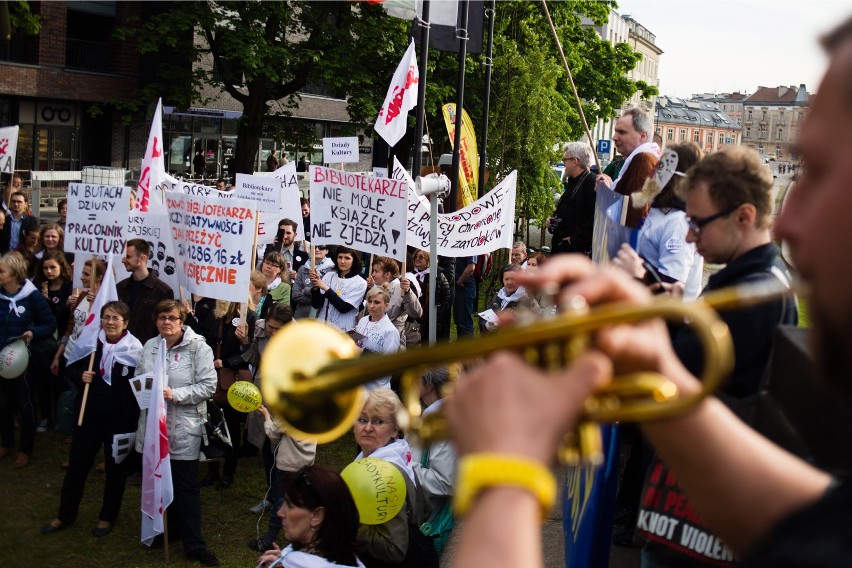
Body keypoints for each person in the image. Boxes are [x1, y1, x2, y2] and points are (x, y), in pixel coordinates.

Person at [443, 18, 852, 567]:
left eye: (819, 173)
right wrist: (645, 342)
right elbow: (803, 519)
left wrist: (508, 472)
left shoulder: (760, 289)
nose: (791, 219)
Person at [41, 301, 143, 537]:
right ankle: (65, 514)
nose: (109, 322)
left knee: (114, 468)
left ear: (125, 323)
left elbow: (139, 384)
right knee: (77, 465)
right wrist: (80, 376)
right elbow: (71, 368)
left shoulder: (135, 349)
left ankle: (108, 516)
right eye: (106, 317)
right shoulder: (90, 343)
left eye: (115, 318)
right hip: (89, 413)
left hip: (118, 418)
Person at [134, 300, 219, 566]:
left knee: (185, 486)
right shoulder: (150, 346)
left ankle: (194, 543)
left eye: (172, 318)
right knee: (159, 481)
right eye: (162, 318)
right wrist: (146, 392)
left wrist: (175, 395)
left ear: (182, 321)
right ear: (155, 320)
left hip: (184, 427)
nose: (167, 322)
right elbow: (140, 377)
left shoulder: (197, 348)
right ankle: (167, 530)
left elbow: (209, 386)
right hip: (153, 428)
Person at [612, 142, 704, 299]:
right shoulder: (660, 211)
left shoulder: (678, 222)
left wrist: (636, 272)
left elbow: (671, 287)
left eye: (661, 165)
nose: (653, 171)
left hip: (671, 319)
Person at [353, 388, 431, 567]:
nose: (368, 428)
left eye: (378, 421)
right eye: (362, 420)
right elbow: (425, 508)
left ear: (395, 429)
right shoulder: (400, 454)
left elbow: (394, 549)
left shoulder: (383, 475)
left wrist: (350, 521)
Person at [0, 252, 57, 469]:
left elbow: (49, 324)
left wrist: (32, 332)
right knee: (3, 403)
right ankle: (6, 442)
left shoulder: (32, 297)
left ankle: (25, 448)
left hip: (22, 360)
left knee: (25, 404)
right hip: (1, 358)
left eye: (1, 271)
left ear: (14, 274)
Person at [191, 300, 256, 490]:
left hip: (232, 380)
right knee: (209, 425)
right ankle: (212, 471)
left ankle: (228, 473)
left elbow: (251, 352)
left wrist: (227, 361)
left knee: (232, 429)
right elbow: (201, 336)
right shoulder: (214, 314)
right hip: (210, 378)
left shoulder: (248, 316)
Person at [255, 466, 364, 568]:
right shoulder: (345, 557)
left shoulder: (298, 562)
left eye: (290, 505)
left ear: (317, 516)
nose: (280, 513)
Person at [249, 404, 318, 553]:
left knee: (280, 500)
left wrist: (266, 416)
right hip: (306, 463)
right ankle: (305, 534)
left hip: (287, 465)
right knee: (301, 500)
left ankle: (269, 540)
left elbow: (272, 434)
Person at [409, 368, 457, 555]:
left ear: (428, 385)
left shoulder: (439, 422)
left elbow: (445, 482)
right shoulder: (431, 415)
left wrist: (403, 467)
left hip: (431, 522)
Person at [597, 107, 660, 229]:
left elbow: (634, 216)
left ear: (643, 136)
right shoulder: (645, 158)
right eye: (615, 132)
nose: (614, 137)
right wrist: (609, 188)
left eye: (622, 132)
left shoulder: (643, 160)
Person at [32, 251, 73, 433]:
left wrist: (65, 305)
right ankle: (45, 416)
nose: (49, 271)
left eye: (53, 267)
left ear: (61, 268)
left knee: (58, 381)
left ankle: (60, 415)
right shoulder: (39, 287)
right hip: (43, 342)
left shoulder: (70, 288)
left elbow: (68, 318)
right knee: (42, 381)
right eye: (45, 268)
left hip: (63, 340)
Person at [117, 239, 175, 343]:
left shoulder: (163, 291)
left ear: (143, 258)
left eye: (128, 257)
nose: (123, 260)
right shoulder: (120, 287)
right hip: (119, 349)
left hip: (147, 351)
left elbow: (166, 327)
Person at [550, 142, 596, 257]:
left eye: (565, 159)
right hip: (562, 248)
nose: (563, 163)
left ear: (575, 161)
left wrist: (576, 239)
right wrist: (553, 221)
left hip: (574, 253)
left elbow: (595, 217)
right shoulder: (572, 182)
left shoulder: (591, 182)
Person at [310, 246, 367, 332]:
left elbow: (343, 307)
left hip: (342, 331)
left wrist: (326, 288)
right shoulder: (329, 276)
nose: (342, 261)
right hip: (322, 329)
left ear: (354, 260)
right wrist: (316, 287)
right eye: (340, 257)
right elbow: (316, 305)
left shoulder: (360, 283)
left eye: (347, 258)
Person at [369, 256, 422, 347]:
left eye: (376, 271)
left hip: (393, 343)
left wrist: (407, 293)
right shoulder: (375, 288)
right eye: (373, 271)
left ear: (387, 274)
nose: (372, 275)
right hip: (372, 341)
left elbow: (417, 313)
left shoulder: (401, 289)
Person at [354, 286, 401, 390]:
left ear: (386, 305)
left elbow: (389, 364)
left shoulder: (391, 331)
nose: (371, 306)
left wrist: (364, 353)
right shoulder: (363, 320)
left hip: (376, 388)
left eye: (377, 302)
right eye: (369, 301)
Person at [480, 265, 540, 333]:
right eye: (506, 279)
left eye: (513, 279)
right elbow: (484, 316)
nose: (509, 282)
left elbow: (536, 322)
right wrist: (486, 325)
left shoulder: (526, 298)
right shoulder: (499, 296)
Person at [411, 249, 451, 344]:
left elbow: (445, 297)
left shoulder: (438, 275)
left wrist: (438, 316)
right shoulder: (410, 274)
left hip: (430, 317)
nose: (417, 259)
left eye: (421, 257)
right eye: (416, 256)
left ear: (429, 260)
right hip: (414, 316)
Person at [291, 244, 333, 319]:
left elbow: (329, 296)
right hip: (302, 317)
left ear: (327, 251)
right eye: (314, 247)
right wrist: (317, 298)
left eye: (321, 247)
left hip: (321, 318)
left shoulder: (333, 270)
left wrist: (307, 290)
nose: (317, 249)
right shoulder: (303, 268)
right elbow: (295, 295)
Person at [453, 255, 477, 337]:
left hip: (464, 286)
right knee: (459, 320)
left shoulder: (469, 245)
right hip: (460, 286)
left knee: (465, 321)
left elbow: (471, 267)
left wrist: (459, 281)